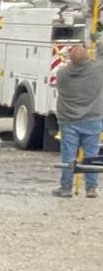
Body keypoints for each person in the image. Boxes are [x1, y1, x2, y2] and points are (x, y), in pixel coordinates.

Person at [53, 42, 103, 199]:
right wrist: (98, 41)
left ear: (71, 59)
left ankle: (66, 188)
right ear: (87, 57)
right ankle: (91, 188)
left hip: (68, 120)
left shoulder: (62, 74)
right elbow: (102, 55)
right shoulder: (97, 71)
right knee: (91, 155)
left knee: (68, 155)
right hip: (92, 119)